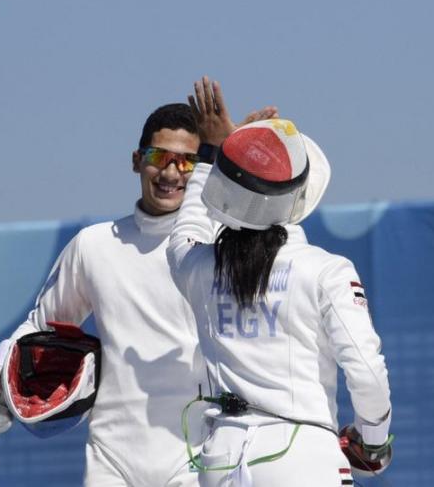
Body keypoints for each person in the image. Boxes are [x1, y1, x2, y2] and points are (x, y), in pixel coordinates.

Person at [0, 96, 274, 487]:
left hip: (197, 456)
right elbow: (40, 327)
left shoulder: (218, 246)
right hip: (111, 459)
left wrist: (240, 163)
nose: (172, 172)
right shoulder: (94, 246)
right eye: (160, 157)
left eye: (186, 162)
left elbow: (276, 235)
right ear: (135, 160)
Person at [167, 80, 393, 487]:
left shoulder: (198, 267)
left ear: (227, 193)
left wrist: (212, 155)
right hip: (301, 457)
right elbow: (366, 372)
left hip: (221, 459)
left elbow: (185, 232)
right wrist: (373, 444)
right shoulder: (327, 270)